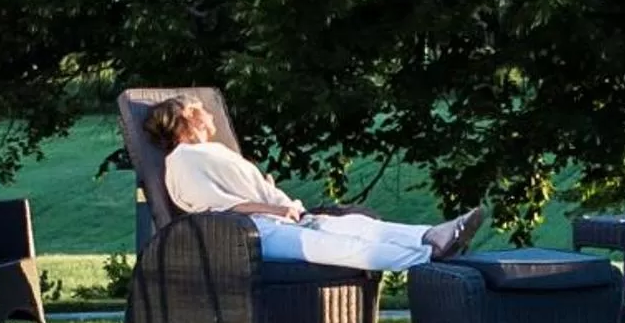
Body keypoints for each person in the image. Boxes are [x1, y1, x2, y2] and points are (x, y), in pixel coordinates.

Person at [142, 96, 484, 271]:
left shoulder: (210, 151)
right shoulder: (183, 160)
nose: (211, 115)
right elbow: (217, 207)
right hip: (250, 234)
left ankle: (432, 235)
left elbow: (238, 189)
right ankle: (428, 257)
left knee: (357, 225)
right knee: (344, 247)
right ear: (188, 117)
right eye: (204, 110)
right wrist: (274, 208)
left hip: (277, 219)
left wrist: (275, 197)